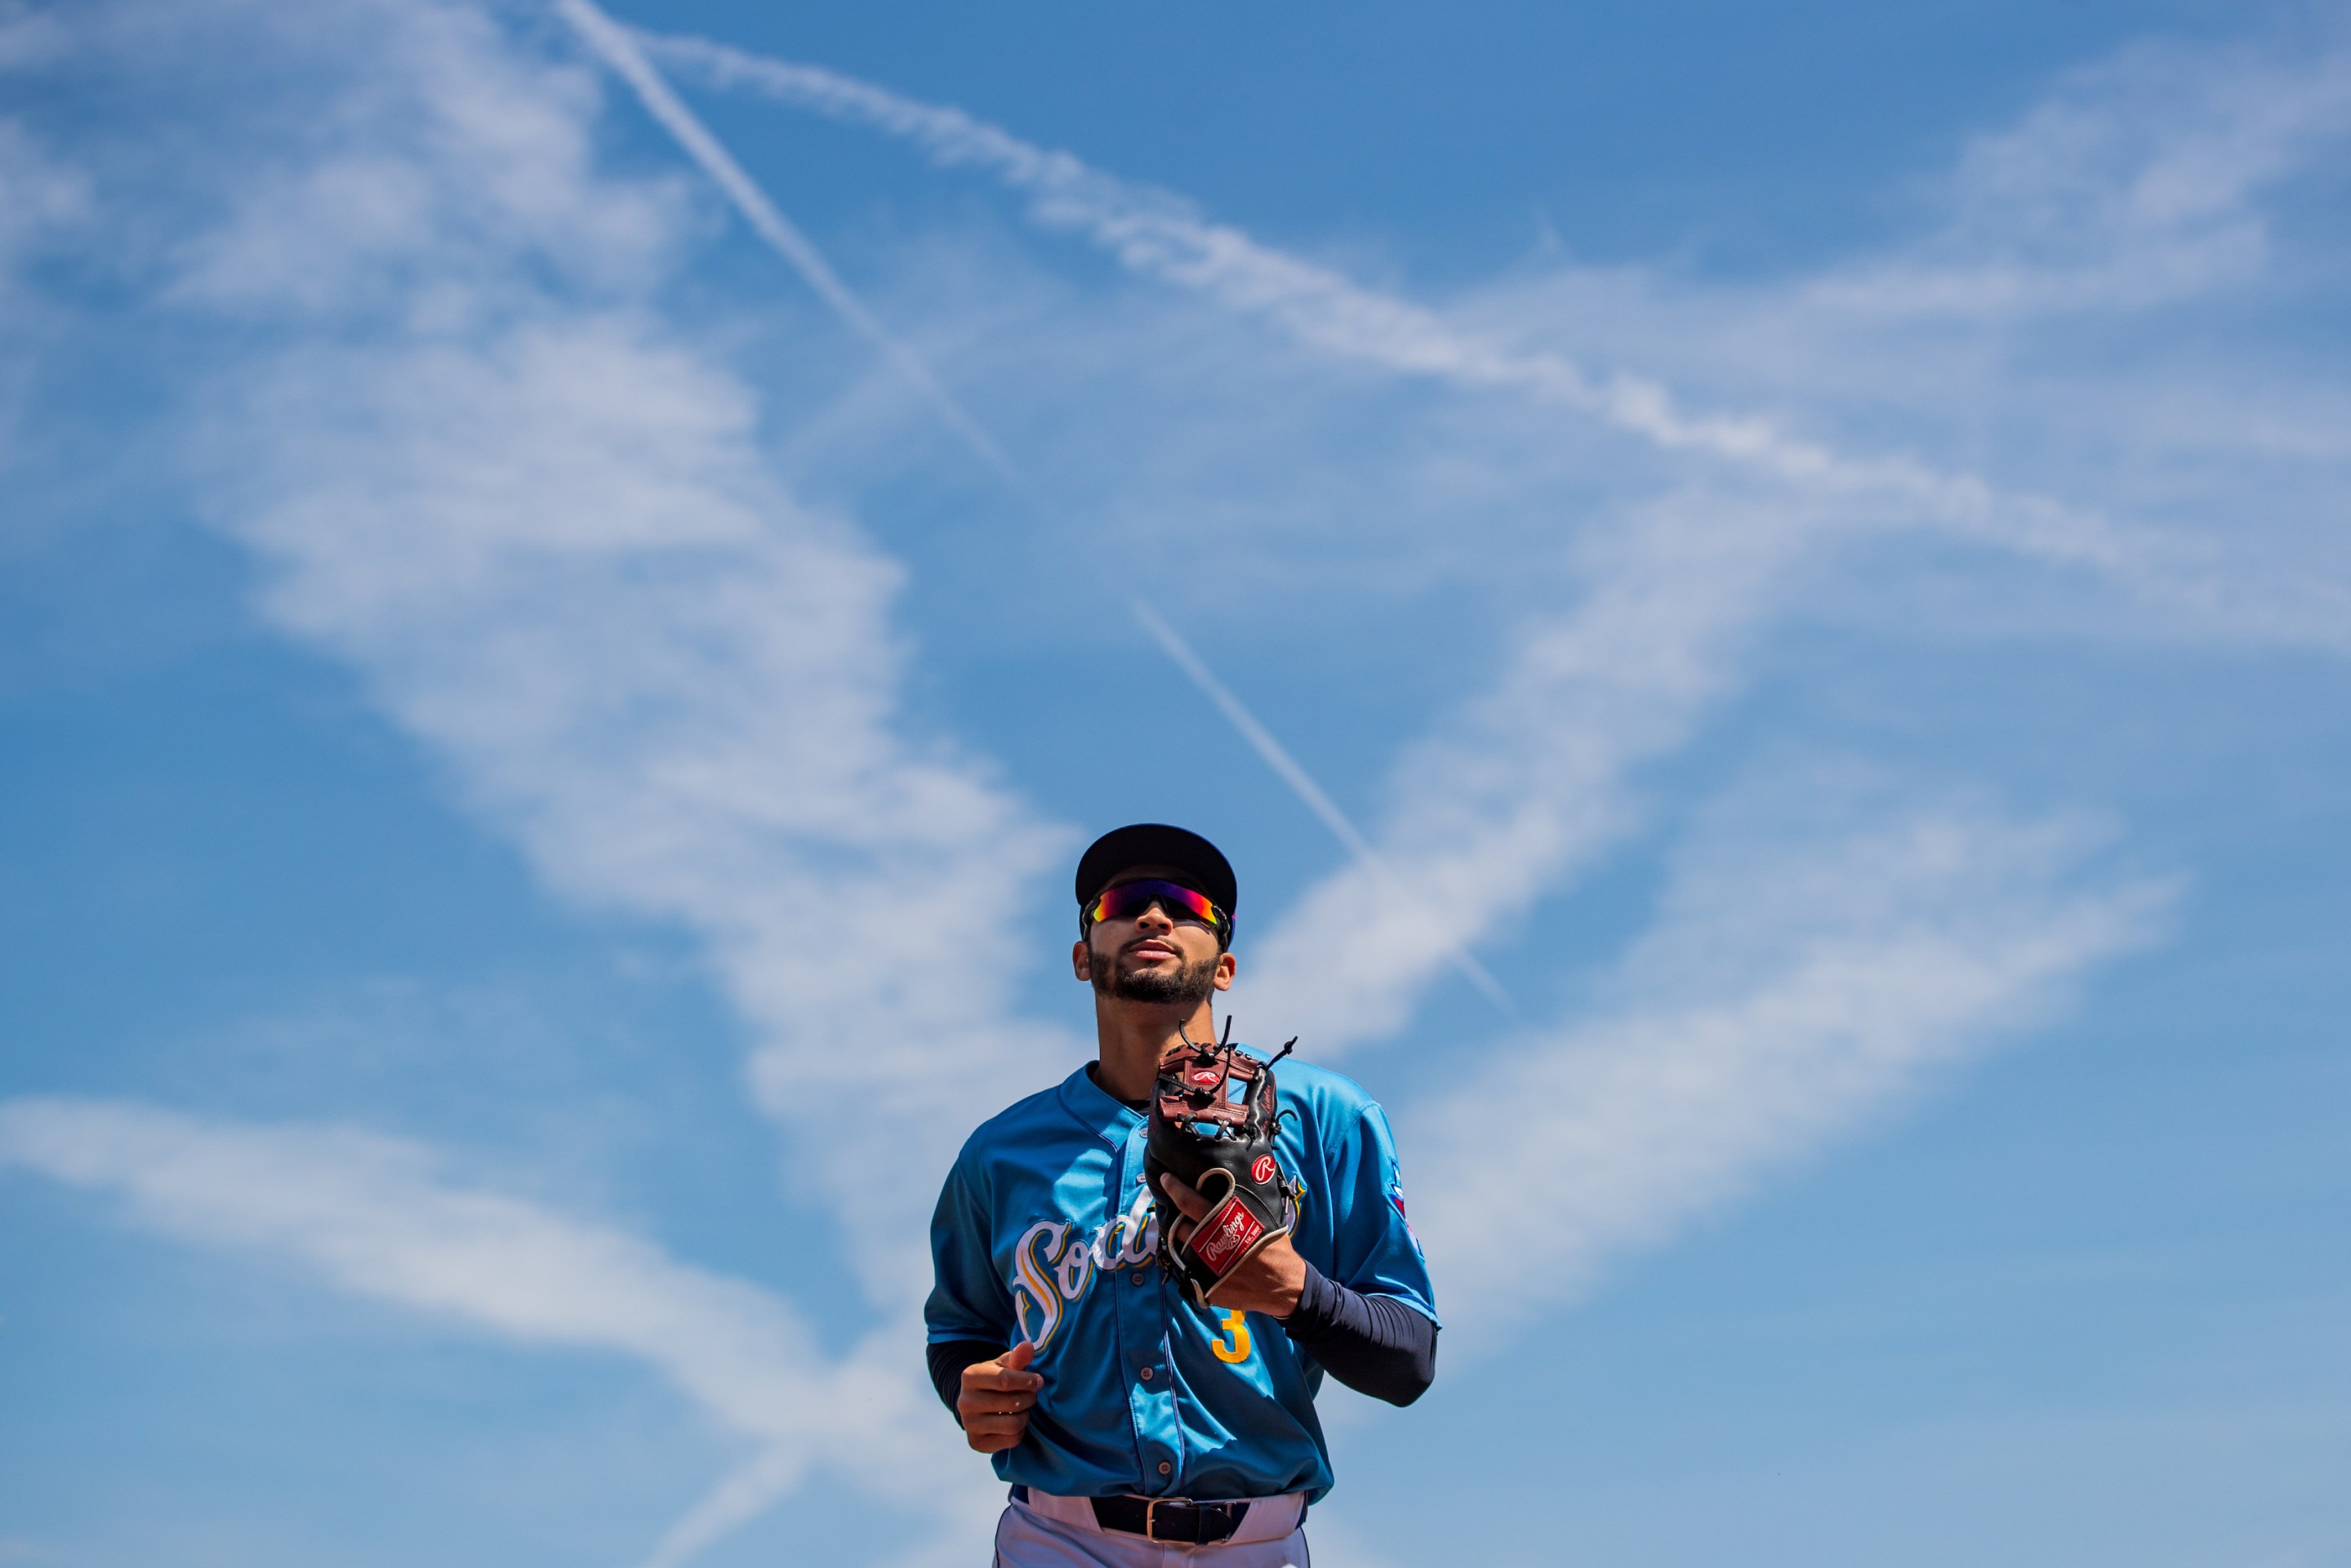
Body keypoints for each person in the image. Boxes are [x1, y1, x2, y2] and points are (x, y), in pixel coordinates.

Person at [925, 823, 1439, 1566]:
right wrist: (970, 1392)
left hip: (1253, 1543)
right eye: (1123, 902)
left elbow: (1409, 1359)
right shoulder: (1000, 1154)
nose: (1154, 915)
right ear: (1081, 957)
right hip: (1058, 1538)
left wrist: (1298, 1294)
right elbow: (959, 1335)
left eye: (1186, 904)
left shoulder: (1326, 1116)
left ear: (1224, 965)